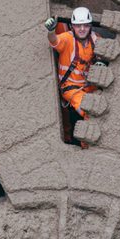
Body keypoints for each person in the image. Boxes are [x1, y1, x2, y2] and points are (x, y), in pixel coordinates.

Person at [45, 7, 99, 146]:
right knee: (88, 111)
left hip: (90, 87)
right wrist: (51, 31)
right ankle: (86, 148)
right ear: (72, 26)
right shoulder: (67, 39)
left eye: (85, 25)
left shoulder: (96, 39)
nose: (82, 29)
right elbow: (54, 41)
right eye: (78, 25)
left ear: (90, 26)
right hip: (71, 87)